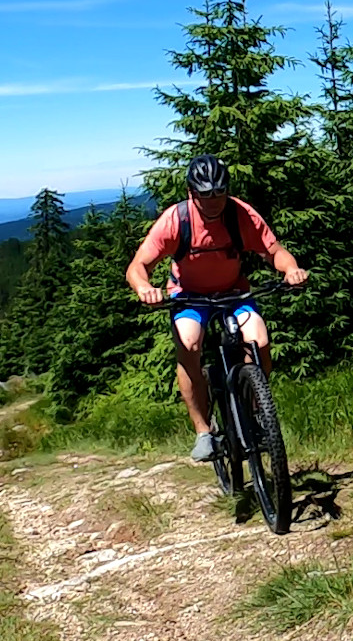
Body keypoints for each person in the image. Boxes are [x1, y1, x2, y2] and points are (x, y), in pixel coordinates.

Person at [127, 154, 310, 462]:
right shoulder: (176, 220)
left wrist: (290, 270)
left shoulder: (241, 215)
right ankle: (203, 432)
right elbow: (138, 265)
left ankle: (255, 408)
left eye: (219, 192)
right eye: (204, 194)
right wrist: (144, 288)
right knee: (189, 343)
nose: (213, 201)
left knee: (260, 341)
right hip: (189, 296)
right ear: (190, 192)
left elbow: (273, 251)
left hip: (234, 292)